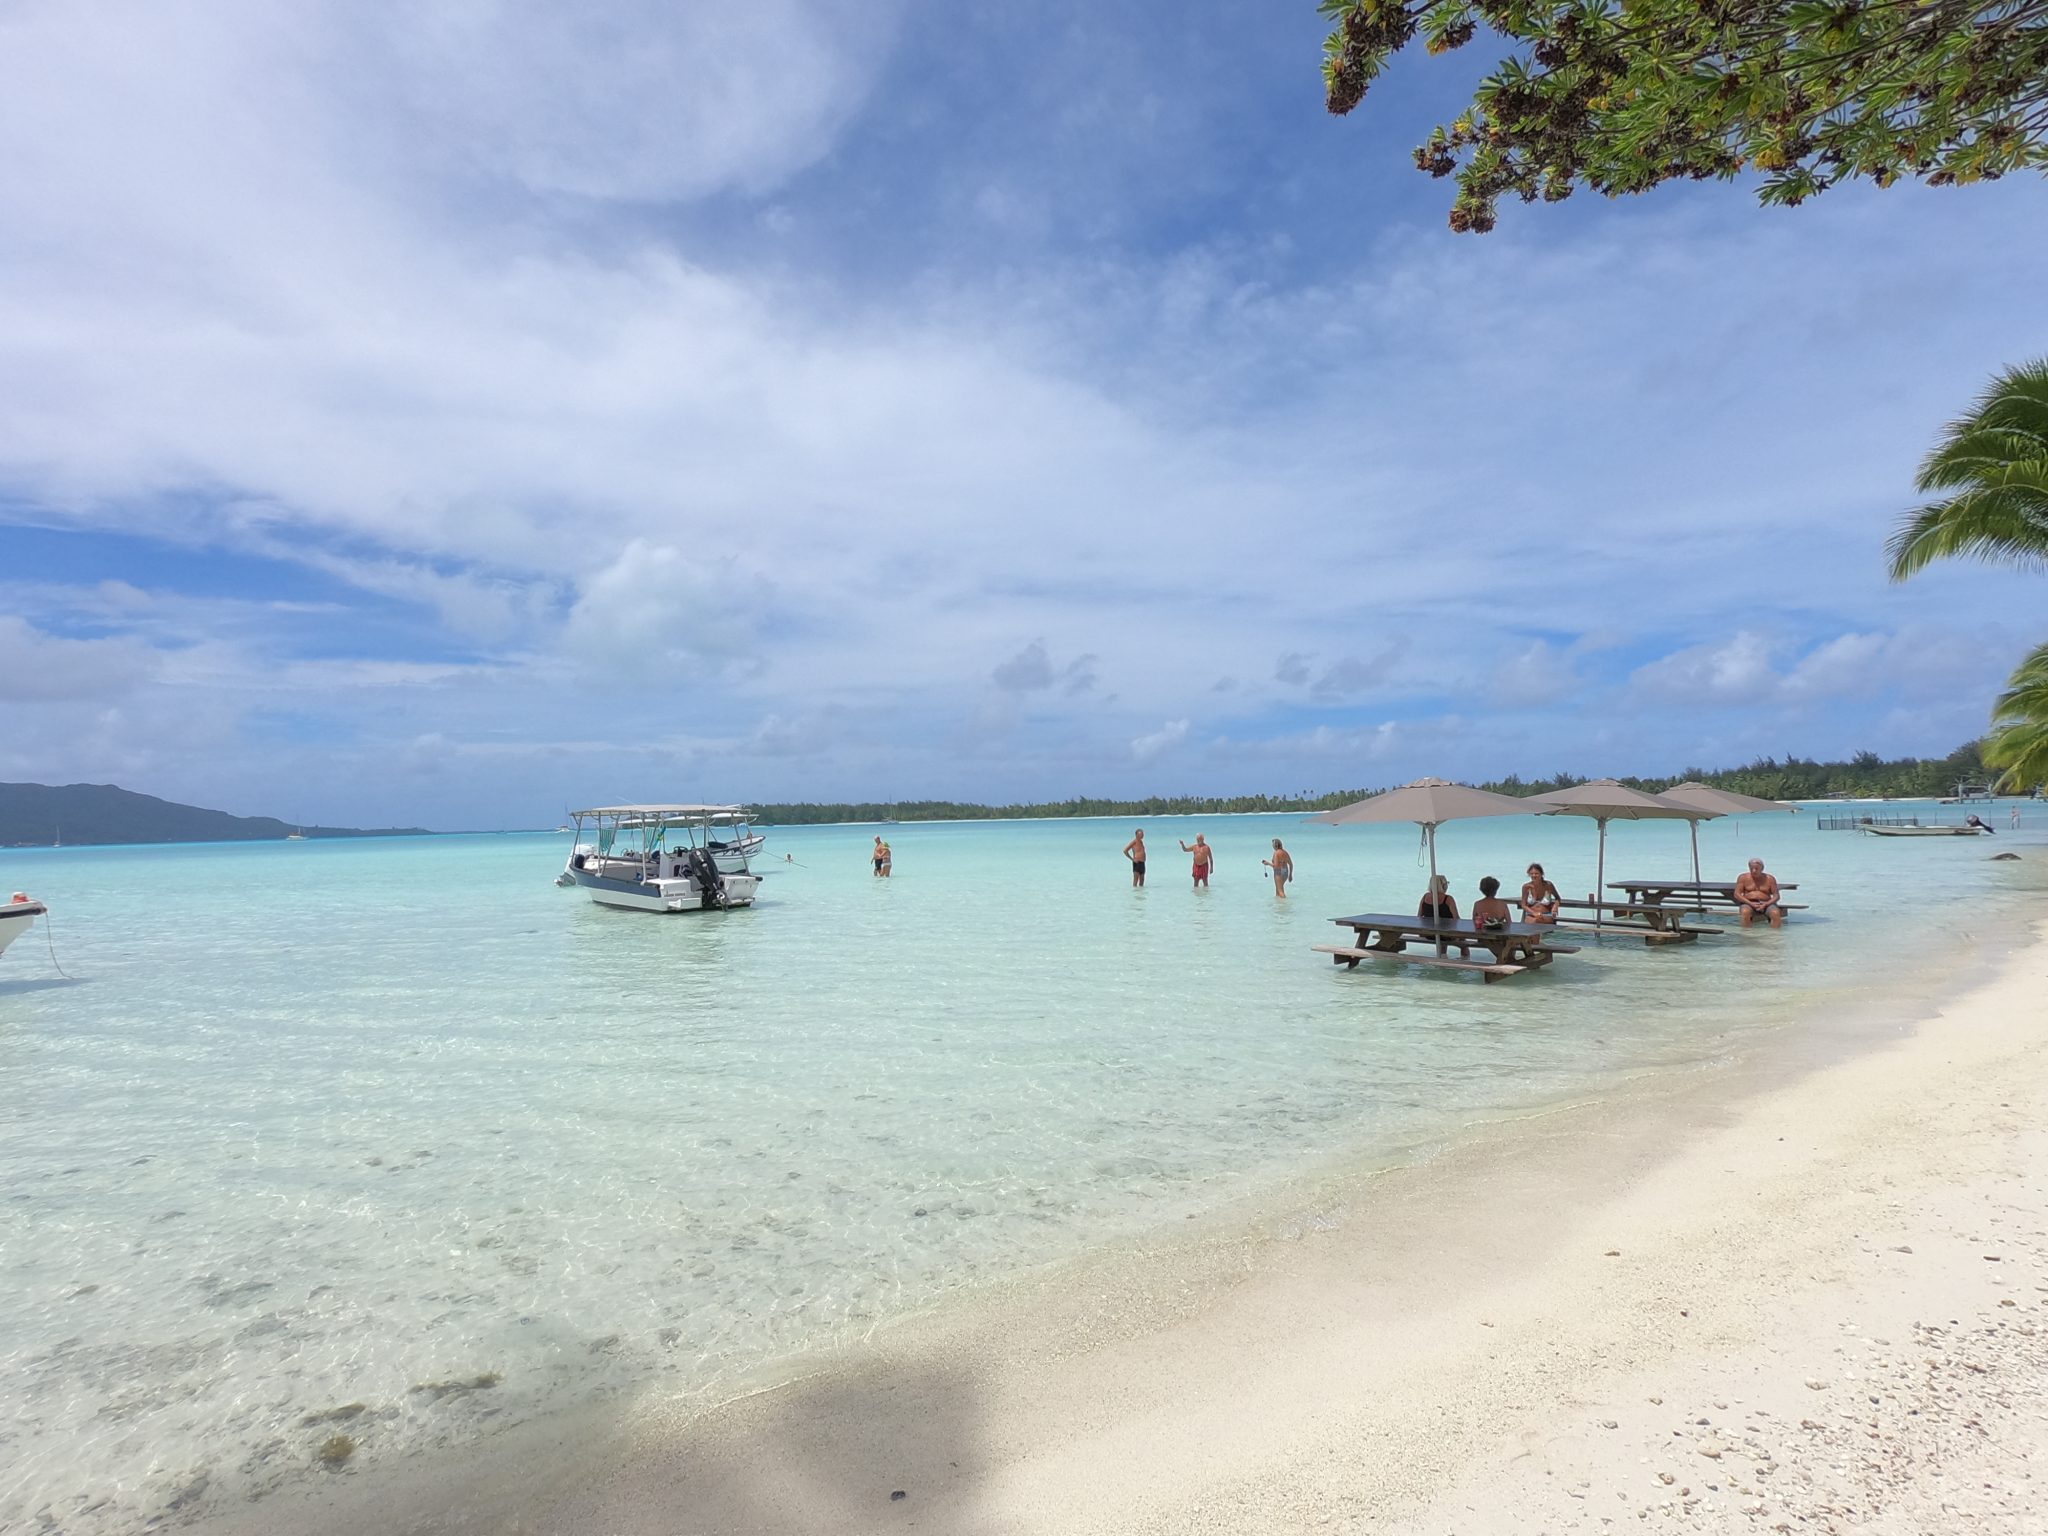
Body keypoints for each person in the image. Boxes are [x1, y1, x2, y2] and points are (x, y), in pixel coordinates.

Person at [1733, 857, 1783, 929]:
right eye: (1751, 868)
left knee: (1775, 913)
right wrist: (1751, 903)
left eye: (1756, 869)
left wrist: (1766, 904)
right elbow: (1737, 894)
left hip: (1766, 903)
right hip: (1748, 903)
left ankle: (1774, 936)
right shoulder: (1743, 878)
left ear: (1762, 868)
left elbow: (1776, 896)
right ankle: (1747, 935)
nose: (1754, 871)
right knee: (1745, 912)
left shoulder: (1770, 878)